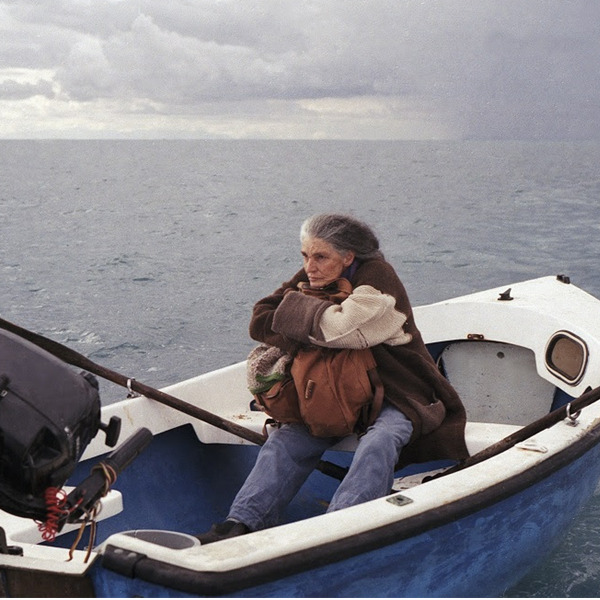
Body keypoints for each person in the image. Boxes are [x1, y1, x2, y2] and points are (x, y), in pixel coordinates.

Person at [197, 213, 468, 544]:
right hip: (332, 391)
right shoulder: (317, 274)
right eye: (305, 256)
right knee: (287, 440)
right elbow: (260, 321)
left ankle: (341, 528)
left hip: (399, 390)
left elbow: (343, 330)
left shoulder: (379, 279)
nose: (310, 266)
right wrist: (310, 316)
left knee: (380, 441)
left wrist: (295, 314)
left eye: (320, 256)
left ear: (348, 256)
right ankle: (242, 522)